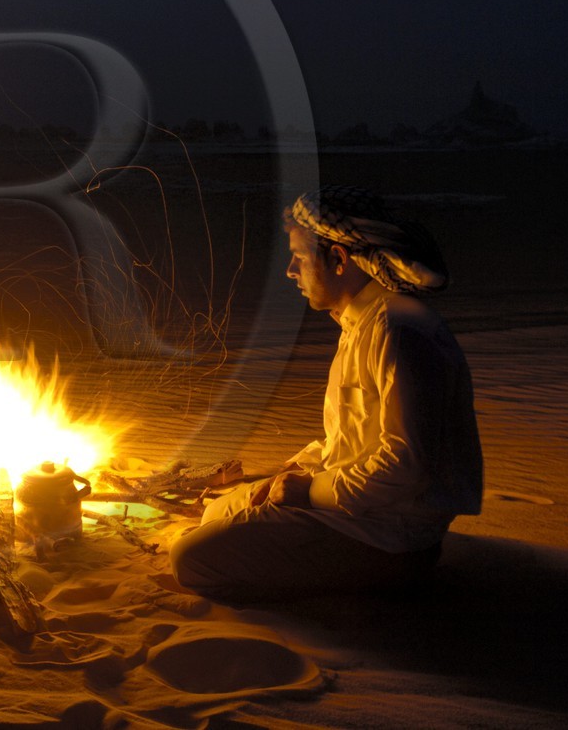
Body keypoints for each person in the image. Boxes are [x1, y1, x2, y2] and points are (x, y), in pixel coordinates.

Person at [167, 186, 483, 602]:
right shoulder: (363, 322)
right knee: (216, 511)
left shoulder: (399, 330)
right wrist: (287, 474)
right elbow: (346, 444)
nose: (290, 270)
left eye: (299, 256)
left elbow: (406, 464)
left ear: (338, 259)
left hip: (386, 535)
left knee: (189, 558)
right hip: (360, 510)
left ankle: (378, 587)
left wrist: (307, 492)